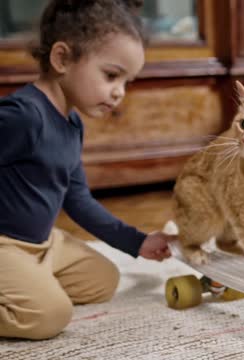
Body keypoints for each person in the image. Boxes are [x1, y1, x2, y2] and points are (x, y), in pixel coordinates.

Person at [0, 0, 175, 340]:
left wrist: (137, 241)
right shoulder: (23, 116)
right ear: (62, 58)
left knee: (103, 279)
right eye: (111, 75)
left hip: (41, 244)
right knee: (50, 315)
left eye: (127, 81)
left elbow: (78, 199)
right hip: (4, 243)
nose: (119, 92)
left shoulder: (73, 123)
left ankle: (27, 279)